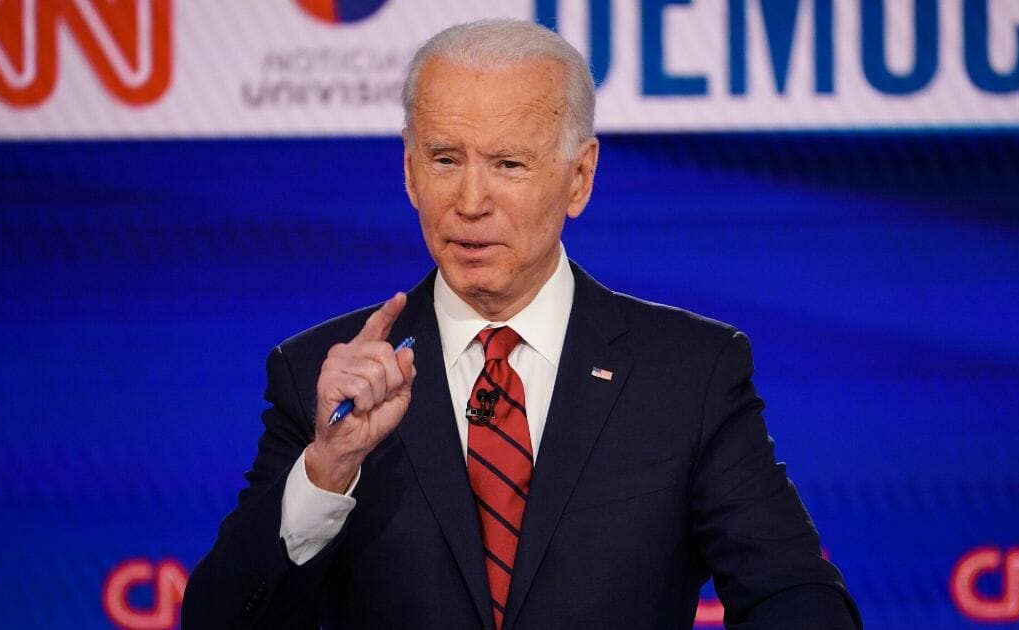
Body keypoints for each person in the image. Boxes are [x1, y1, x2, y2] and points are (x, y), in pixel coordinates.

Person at [182, 19, 860, 630]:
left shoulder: (688, 373)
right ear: (410, 171)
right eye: (446, 159)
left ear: (580, 178)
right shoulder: (322, 381)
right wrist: (327, 471)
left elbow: (793, 595)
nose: (470, 201)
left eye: (508, 164)